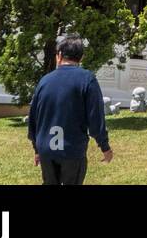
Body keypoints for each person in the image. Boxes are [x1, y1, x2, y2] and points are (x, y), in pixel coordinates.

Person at [28, 34, 112, 185]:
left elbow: (34, 118)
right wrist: (104, 146)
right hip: (72, 150)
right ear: (81, 57)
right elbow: (95, 119)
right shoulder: (87, 79)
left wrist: (37, 149)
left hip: (46, 149)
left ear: (59, 55)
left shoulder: (44, 81)